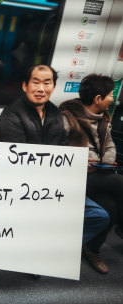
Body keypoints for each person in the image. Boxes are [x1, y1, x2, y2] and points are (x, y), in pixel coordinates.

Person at [0, 65, 110, 276]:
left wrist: (73, 164)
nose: (41, 88)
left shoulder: (54, 112)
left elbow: (62, 147)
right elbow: (18, 161)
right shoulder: (11, 114)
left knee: (100, 216)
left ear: (53, 86)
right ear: (25, 85)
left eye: (47, 82)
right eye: (36, 82)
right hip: (22, 188)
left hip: (53, 184)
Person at [60, 74, 123, 274]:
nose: (113, 99)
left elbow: (110, 145)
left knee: (110, 207)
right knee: (118, 183)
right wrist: (82, 161)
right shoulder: (67, 117)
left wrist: (102, 161)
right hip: (73, 178)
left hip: (98, 174)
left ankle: (92, 248)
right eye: (110, 95)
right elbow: (60, 152)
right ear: (97, 99)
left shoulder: (104, 118)